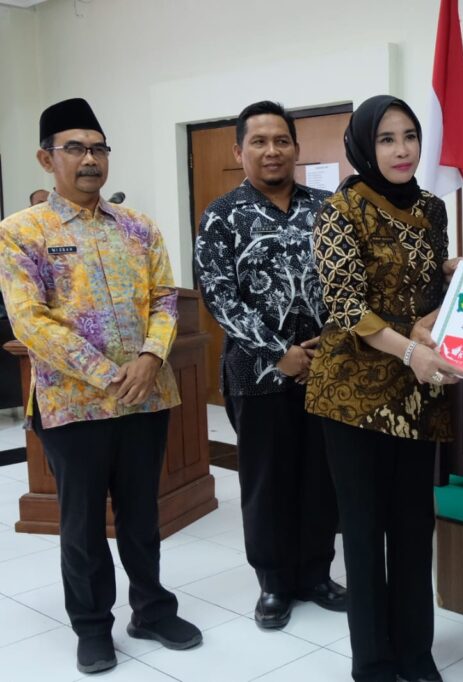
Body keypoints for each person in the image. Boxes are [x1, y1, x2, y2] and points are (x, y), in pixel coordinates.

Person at [0, 98, 201, 674]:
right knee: (84, 523)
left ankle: (152, 611)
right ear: (47, 158)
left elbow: (165, 299)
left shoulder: (139, 226)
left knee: (141, 514)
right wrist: (109, 374)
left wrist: (150, 357)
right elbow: (29, 320)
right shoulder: (22, 232)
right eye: (75, 148)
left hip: (147, 396)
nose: (90, 159)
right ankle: (92, 627)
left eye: (98, 148)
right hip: (73, 405)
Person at [306, 95, 463, 682]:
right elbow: (347, 307)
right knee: (365, 531)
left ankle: (415, 652)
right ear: (364, 147)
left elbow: (426, 293)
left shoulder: (431, 207)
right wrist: (411, 350)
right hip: (354, 394)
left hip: (416, 392)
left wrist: (452, 280)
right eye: (387, 139)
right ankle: (372, 661)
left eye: (410, 137)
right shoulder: (339, 211)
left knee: (414, 526)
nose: (402, 151)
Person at [194, 100, 346, 629]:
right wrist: (279, 351)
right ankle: (274, 582)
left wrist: (324, 348)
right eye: (258, 141)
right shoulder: (221, 215)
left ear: (296, 149)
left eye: (281, 140)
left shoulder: (328, 208)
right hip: (257, 373)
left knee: (320, 477)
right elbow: (219, 296)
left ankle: (316, 573)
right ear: (239, 151)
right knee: (266, 482)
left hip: (326, 370)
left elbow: (349, 284)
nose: (272, 150)